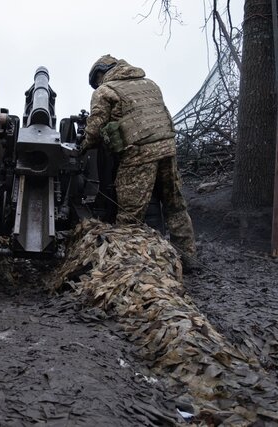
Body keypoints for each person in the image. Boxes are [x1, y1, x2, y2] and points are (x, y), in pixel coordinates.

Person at [80, 54, 198, 270]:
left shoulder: (105, 91)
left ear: (100, 74)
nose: (97, 85)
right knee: (175, 205)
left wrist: (83, 148)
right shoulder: (149, 84)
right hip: (168, 149)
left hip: (138, 154)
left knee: (130, 214)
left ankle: (129, 267)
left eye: (96, 81)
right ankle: (188, 258)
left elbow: (95, 129)